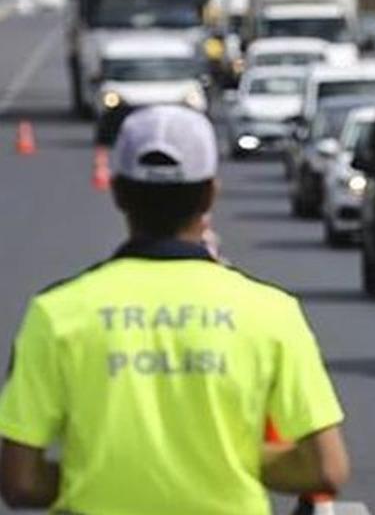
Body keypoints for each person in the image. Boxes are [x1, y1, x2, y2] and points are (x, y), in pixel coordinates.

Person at [0, 105, 350, 514]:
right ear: (210, 194)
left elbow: (19, 481)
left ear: (117, 192)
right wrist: (218, 461)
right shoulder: (271, 312)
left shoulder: (57, 314)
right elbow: (326, 468)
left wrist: (99, 472)